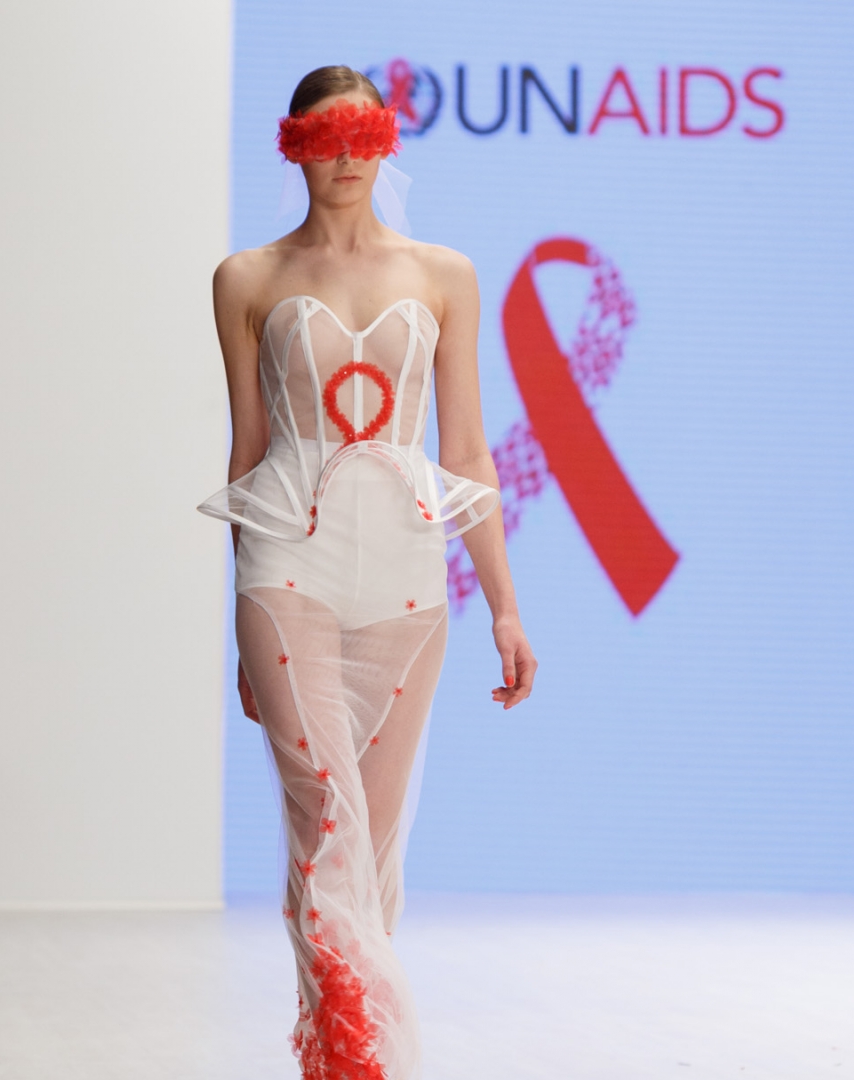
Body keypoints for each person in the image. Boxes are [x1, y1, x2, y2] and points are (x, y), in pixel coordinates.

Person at [201, 66, 537, 1080]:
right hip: (284, 569)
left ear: (386, 142)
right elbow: (247, 450)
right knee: (327, 816)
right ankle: (368, 1063)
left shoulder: (445, 274)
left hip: (407, 580)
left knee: (368, 855)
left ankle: (335, 1056)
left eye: (363, 134)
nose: (346, 155)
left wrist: (505, 609)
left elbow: (467, 449)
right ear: (292, 145)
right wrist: (237, 627)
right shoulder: (245, 278)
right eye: (323, 135)